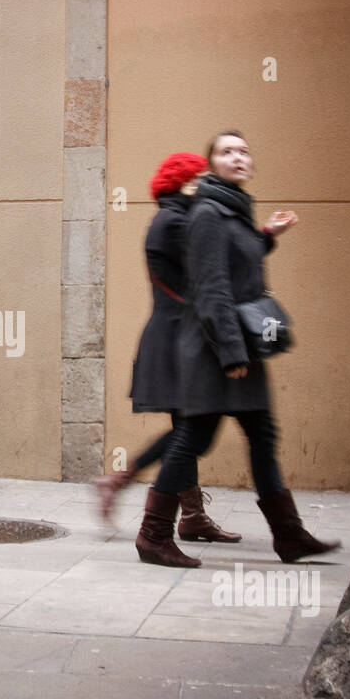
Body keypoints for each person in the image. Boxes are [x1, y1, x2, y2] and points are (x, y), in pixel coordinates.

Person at [131, 130, 340, 567]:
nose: (238, 157)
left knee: (261, 436)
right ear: (213, 165)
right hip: (217, 348)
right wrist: (230, 352)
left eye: (244, 150)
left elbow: (238, 262)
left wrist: (268, 234)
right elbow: (211, 287)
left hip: (239, 346)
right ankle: (153, 537)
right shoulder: (208, 211)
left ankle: (289, 535)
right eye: (227, 152)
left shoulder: (234, 211)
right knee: (192, 438)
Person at [96, 152, 241, 568]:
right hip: (179, 340)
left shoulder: (175, 219)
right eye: (201, 181)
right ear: (187, 184)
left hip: (180, 336)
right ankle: (130, 492)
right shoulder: (175, 223)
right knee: (193, 430)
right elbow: (216, 267)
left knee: (188, 428)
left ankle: (190, 515)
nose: (207, 188)